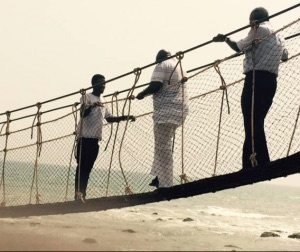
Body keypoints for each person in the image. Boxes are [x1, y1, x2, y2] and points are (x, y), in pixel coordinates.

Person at [213, 7, 288, 169]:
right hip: (271, 82)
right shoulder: (280, 34)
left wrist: (226, 39)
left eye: (250, 23)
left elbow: (238, 47)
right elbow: (285, 56)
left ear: (254, 21)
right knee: (256, 121)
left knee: (251, 121)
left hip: (256, 80)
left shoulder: (259, 30)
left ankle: (261, 163)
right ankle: (251, 162)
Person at [75, 74, 135, 200]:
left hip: (95, 139)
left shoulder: (104, 100)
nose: (103, 86)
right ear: (94, 84)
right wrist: (92, 106)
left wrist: (124, 117)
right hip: (84, 138)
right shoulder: (86, 97)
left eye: (104, 83)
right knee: (82, 167)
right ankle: (78, 194)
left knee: (88, 168)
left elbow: (109, 118)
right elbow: (82, 113)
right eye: (101, 83)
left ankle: (82, 194)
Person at [136, 50, 189, 188]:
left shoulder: (162, 65)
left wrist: (142, 94)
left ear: (158, 59)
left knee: (162, 147)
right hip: (180, 111)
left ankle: (165, 183)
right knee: (163, 145)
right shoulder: (180, 67)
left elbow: (156, 85)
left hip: (165, 112)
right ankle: (158, 177)